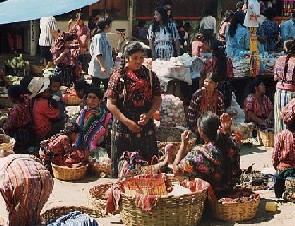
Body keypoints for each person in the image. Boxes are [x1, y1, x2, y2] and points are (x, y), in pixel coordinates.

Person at [106, 42, 162, 177]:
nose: (139, 61)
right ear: (127, 57)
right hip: (123, 125)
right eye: (135, 58)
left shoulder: (150, 75)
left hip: (145, 125)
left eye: (141, 57)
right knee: (122, 167)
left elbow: (157, 99)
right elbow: (110, 104)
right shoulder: (118, 77)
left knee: (148, 167)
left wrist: (149, 115)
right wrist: (128, 122)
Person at [173, 112, 241, 194]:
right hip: (229, 191)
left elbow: (176, 171)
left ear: (201, 133)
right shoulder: (231, 145)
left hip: (209, 197)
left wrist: (183, 145)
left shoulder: (198, 154)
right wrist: (227, 129)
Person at [0, 154, 53, 226]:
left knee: (15, 208)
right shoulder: (18, 156)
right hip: (45, 177)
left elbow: (5, 189)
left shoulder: (2, 164)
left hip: (20, 178)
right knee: (33, 207)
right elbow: (38, 161)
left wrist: (10, 205)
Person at [76, 87, 112, 152]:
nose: (91, 100)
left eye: (94, 98)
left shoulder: (105, 115)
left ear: (100, 100)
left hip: (99, 146)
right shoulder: (83, 113)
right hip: (80, 145)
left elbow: (107, 134)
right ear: (86, 99)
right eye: (89, 97)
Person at [1, 85, 34, 153]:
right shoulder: (24, 104)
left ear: (12, 98)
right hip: (27, 132)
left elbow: (9, 125)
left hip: (19, 135)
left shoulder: (15, 110)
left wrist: (3, 127)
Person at [273, 99, 295, 198]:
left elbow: (275, 153)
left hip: (283, 167)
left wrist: (275, 164)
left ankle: (278, 194)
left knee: (278, 178)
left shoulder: (281, 135)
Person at [201, 40, 233, 108]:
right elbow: (230, 76)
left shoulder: (210, 61)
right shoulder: (229, 60)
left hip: (212, 91)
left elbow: (205, 74)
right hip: (226, 91)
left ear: (212, 50)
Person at [273, 38, 295, 133]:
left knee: (280, 121)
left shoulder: (279, 60)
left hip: (279, 94)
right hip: (292, 96)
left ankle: (280, 144)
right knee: (291, 122)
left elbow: (275, 77)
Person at [88, 17, 113, 91]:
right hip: (99, 68)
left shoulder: (105, 36)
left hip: (106, 67)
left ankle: (103, 101)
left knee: (107, 88)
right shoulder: (98, 37)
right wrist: (102, 66)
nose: (111, 27)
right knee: (95, 88)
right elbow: (98, 53)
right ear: (106, 26)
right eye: (111, 25)